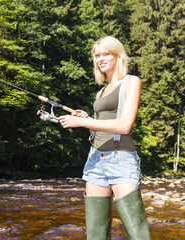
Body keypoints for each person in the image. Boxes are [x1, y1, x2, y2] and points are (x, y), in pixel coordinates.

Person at [58, 36, 151, 240]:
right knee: (96, 235)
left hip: (121, 159)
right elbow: (98, 132)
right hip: (95, 161)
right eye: (97, 55)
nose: (100, 59)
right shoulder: (101, 92)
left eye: (106, 54)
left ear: (119, 56)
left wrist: (85, 122)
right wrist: (88, 121)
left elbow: (124, 126)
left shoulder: (131, 81)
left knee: (137, 233)